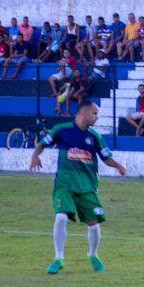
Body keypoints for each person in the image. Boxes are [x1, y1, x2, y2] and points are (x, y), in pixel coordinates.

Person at [29, 100, 126, 274]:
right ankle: (59, 258)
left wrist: (118, 166)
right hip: (64, 184)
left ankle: (93, 255)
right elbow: (42, 143)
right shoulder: (61, 129)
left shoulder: (95, 136)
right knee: (61, 217)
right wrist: (35, 156)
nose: (97, 117)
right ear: (84, 113)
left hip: (87, 186)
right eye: (95, 113)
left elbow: (105, 157)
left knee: (94, 225)